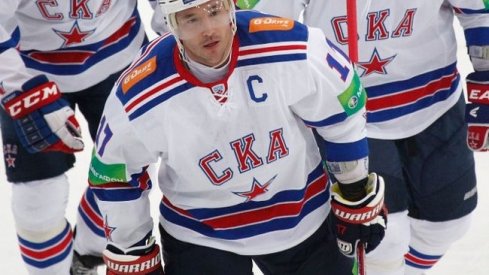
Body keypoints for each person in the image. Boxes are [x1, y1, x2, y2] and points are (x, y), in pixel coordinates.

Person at [87, 0, 388, 274]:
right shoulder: (139, 92)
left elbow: (342, 108)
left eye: (214, 11)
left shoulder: (290, 46)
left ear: (231, 9)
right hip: (201, 235)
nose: (208, 29)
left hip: (303, 217)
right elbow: (115, 172)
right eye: (190, 19)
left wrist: (355, 188)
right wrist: (133, 248)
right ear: (171, 26)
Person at [248, 0, 489, 274]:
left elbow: (479, 10)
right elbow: (261, 32)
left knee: (448, 225)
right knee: (384, 240)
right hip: (350, 117)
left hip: (437, 102)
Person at [0, 1, 150, 274]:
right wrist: (21, 91)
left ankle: (86, 256)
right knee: (37, 197)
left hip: (122, 56)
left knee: (125, 171)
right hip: (30, 69)